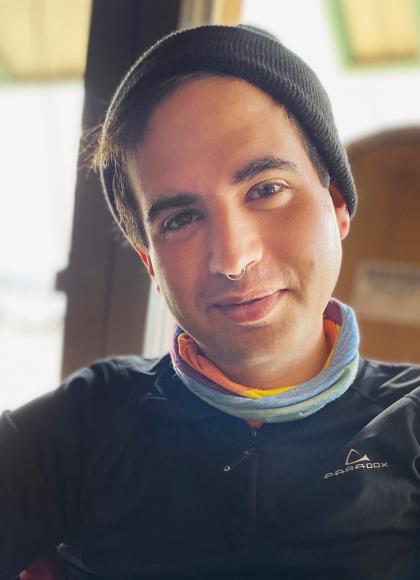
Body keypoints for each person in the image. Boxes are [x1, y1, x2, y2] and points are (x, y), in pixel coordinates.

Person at [1, 24, 420, 580]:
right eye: (180, 219)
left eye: (266, 189)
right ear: (151, 264)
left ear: (337, 203)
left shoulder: (409, 422)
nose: (233, 258)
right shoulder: (83, 423)